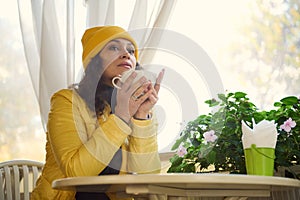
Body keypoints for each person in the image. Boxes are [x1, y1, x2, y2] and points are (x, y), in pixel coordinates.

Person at [31, 25, 165, 200]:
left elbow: (148, 177)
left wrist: (141, 117)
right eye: (114, 47)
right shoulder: (66, 101)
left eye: (131, 51)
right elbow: (76, 173)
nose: (126, 54)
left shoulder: (137, 109)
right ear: (94, 61)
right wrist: (121, 117)